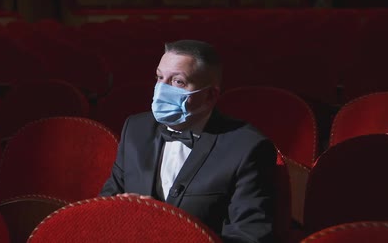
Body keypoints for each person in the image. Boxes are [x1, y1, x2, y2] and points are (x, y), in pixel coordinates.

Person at [100, 39, 277, 243]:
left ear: (210, 95)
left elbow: (250, 237)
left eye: (178, 82)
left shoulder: (247, 147)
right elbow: (105, 203)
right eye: (159, 77)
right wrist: (117, 210)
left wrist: (169, 228)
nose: (161, 90)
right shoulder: (136, 129)